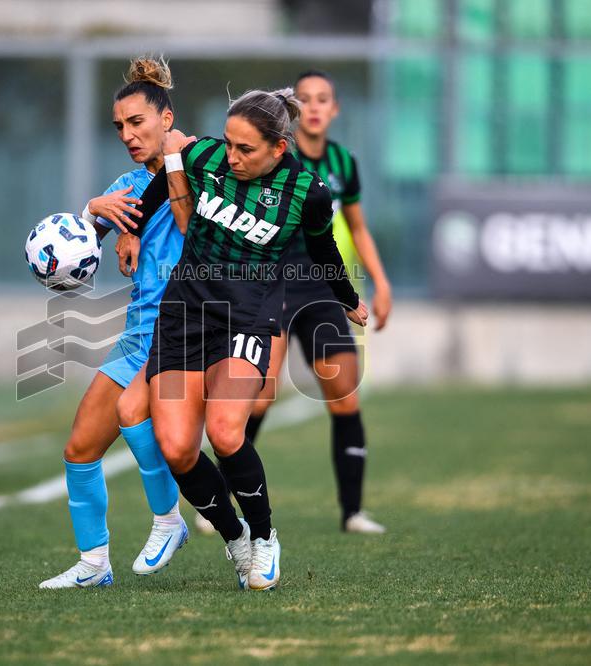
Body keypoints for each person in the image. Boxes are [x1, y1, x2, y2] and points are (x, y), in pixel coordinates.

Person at [137, 87, 368, 590]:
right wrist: (129, 231)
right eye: (228, 144)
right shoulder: (204, 156)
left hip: (247, 316)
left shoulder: (307, 191)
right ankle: (234, 535)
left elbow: (324, 247)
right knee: (176, 447)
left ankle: (264, 537)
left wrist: (347, 298)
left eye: (245, 149)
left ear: (278, 148)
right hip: (184, 313)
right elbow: (160, 184)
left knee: (224, 432)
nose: (232, 157)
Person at [199, 70, 393, 536]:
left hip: (321, 291)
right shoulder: (264, 153)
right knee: (260, 396)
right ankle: (221, 501)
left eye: (323, 98)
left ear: (335, 108)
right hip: (273, 286)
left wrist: (380, 283)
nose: (313, 106)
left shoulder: (343, 164)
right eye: (304, 98)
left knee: (345, 396)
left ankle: (353, 512)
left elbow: (358, 227)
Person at [38, 57, 188, 589]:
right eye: (119, 127)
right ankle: (93, 565)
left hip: (186, 331)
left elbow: (196, 221)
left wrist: (136, 218)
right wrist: (91, 213)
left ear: (166, 117)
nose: (127, 134)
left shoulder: (201, 162)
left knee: (138, 415)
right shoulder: (126, 183)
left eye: (137, 122)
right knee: (79, 449)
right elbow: (76, 262)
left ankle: (170, 521)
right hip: (136, 333)